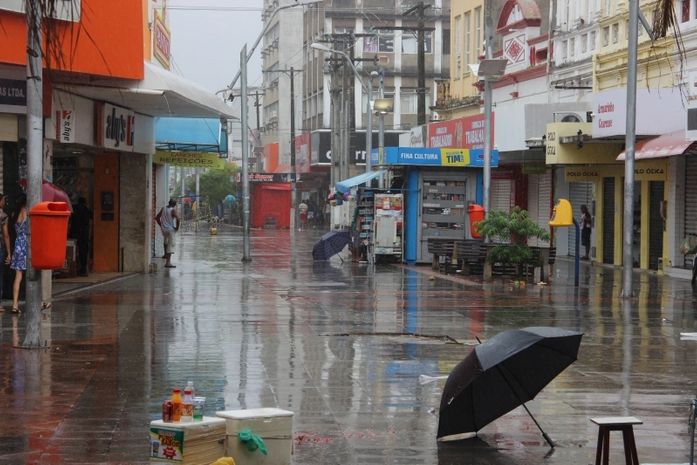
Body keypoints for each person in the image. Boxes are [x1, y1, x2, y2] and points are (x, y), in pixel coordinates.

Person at [10, 194, 27, 314]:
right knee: (33, 274)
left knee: (18, 276)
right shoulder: (25, 211)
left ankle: (15, 305)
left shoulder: (13, 213)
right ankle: (39, 302)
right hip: (26, 245)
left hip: (18, 245)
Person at [155, 199, 179, 268]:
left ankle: (165, 255)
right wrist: (177, 228)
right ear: (174, 205)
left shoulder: (163, 208)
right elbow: (178, 219)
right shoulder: (173, 210)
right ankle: (168, 262)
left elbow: (157, 217)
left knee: (165, 242)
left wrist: (161, 225)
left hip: (164, 230)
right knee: (170, 245)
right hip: (170, 230)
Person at [71, 197, 92, 276]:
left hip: (75, 233)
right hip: (84, 235)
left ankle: (75, 268)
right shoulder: (86, 210)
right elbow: (93, 216)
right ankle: (83, 269)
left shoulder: (74, 208)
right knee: (83, 252)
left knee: (74, 251)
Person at [0, 194, 11, 311]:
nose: (4, 202)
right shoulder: (3, 215)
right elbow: (6, 235)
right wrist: (9, 252)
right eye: (3, 200)